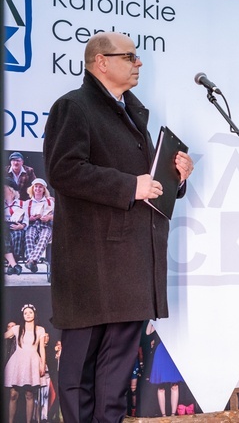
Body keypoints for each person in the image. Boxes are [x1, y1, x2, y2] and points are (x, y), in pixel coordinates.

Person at [43, 31, 194, 422]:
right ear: (101, 62)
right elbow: (63, 171)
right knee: (78, 374)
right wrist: (130, 185)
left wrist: (175, 178)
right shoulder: (73, 107)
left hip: (130, 267)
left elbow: (148, 188)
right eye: (130, 56)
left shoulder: (131, 114)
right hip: (90, 267)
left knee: (115, 378)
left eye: (137, 57)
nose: (138, 63)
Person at [4, 304, 46, 423]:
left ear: (34, 314)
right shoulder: (17, 328)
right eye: (25, 313)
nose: (28, 315)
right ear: (22, 315)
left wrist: (42, 364)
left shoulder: (40, 329)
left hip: (32, 362)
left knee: (29, 394)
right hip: (17, 362)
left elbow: (42, 348)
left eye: (30, 312)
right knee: (13, 394)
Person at [24, 178, 54, 274]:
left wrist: (49, 217)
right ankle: (33, 262)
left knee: (44, 237)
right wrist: (30, 219)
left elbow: (57, 216)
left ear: (44, 189)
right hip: (32, 224)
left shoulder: (50, 202)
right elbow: (23, 218)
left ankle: (31, 261)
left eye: (40, 187)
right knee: (28, 236)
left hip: (45, 225)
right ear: (32, 189)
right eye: (36, 187)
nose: (38, 189)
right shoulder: (27, 203)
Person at [4, 184, 27, 276]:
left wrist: (22, 226)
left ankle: (12, 263)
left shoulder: (22, 203)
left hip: (17, 227)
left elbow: (26, 219)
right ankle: (14, 264)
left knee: (17, 235)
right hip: (5, 227)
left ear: (11, 191)